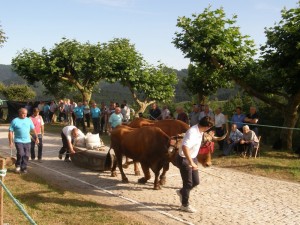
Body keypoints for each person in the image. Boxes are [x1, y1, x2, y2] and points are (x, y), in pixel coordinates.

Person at [176, 116, 214, 213]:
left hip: (193, 157)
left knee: (196, 182)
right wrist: (190, 162)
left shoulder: (200, 131)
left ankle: (182, 192)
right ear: (206, 126)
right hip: (185, 159)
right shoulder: (192, 132)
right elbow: (185, 147)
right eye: (209, 127)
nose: (209, 129)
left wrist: (209, 135)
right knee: (188, 183)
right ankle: (184, 205)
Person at [8, 108, 38, 173]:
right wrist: (11, 142)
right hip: (18, 140)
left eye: (26, 113)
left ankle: (24, 168)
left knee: (26, 155)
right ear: (19, 113)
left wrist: (37, 138)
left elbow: (33, 129)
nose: (25, 115)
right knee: (21, 153)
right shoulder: (15, 121)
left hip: (27, 141)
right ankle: (18, 165)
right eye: (23, 113)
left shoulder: (28, 120)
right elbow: (10, 132)